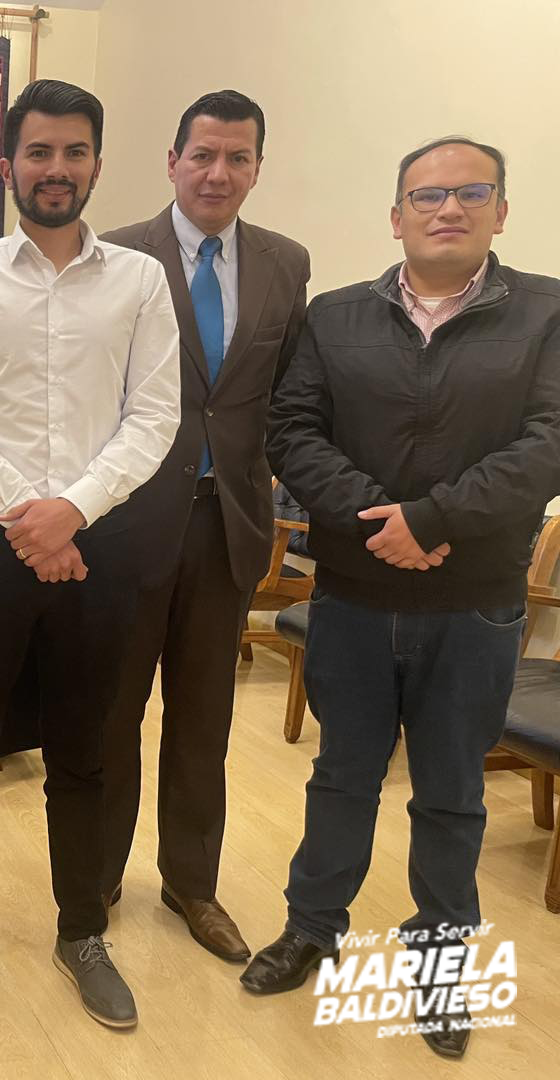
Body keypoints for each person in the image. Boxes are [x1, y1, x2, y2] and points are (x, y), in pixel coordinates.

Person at [250, 136, 560, 1061]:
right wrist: (376, 521)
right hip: (353, 594)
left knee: (452, 792)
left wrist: (433, 520)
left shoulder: (547, 312)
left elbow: (549, 442)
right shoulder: (336, 315)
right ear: (396, 217)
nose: (448, 208)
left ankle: (438, 964)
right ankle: (313, 928)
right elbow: (291, 430)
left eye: (471, 192)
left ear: (501, 210)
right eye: (427, 195)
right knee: (341, 776)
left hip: (475, 602)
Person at [0, 79, 181, 1030]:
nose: (55, 169)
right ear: (9, 164)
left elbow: (155, 416)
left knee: (85, 753)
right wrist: (32, 517)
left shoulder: (139, 280)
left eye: (73, 152)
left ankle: (81, 933)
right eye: (38, 152)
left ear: (96, 163)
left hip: (101, 545)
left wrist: (74, 511)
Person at [98, 90, 309, 961]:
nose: (218, 173)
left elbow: (288, 400)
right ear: (173, 161)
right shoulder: (115, 254)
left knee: (204, 722)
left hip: (228, 526)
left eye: (238, 158)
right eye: (204, 155)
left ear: (257, 168)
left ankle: (192, 884)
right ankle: (95, 875)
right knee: (111, 714)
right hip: (127, 526)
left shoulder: (286, 263)